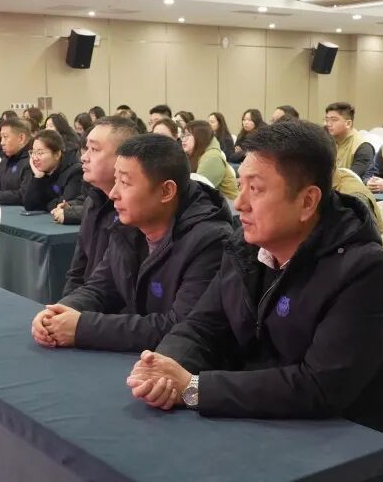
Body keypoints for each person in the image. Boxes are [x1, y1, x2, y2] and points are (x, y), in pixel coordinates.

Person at [124, 120, 383, 482]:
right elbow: (202, 326)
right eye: (241, 186)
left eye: (257, 189)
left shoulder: (362, 271)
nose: (240, 204)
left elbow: (319, 387)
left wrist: (194, 388)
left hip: (358, 453)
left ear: (308, 201)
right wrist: (165, 368)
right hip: (271, 421)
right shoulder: (246, 246)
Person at [31, 134, 234, 353]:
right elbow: (100, 288)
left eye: (125, 183)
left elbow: (181, 327)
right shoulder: (128, 225)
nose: (113, 193)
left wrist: (82, 328)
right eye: (116, 180)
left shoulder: (209, 241)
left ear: (166, 191)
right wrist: (60, 312)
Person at [58, 116, 138, 293]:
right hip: (88, 300)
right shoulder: (92, 202)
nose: (84, 157)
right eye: (86, 148)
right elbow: (77, 272)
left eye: (94, 149)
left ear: (122, 158)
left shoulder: (136, 211)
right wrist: (66, 304)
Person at [23, 129, 84, 212]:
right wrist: (38, 177)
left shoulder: (75, 172)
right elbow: (29, 205)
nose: (35, 158)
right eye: (33, 152)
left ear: (57, 154)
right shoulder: (40, 171)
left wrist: (43, 203)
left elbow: (64, 205)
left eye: (40, 153)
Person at [182, 120, 238, 200]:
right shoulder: (196, 154)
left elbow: (197, 192)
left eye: (188, 135)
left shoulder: (212, 158)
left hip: (228, 205)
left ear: (200, 137)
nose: (184, 139)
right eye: (183, 135)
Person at [324, 101, 375, 178]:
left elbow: (352, 178)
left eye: (334, 120)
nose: (328, 124)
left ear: (348, 124)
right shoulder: (328, 141)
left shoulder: (363, 147)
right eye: (327, 120)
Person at [0, 117, 32, 205]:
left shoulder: (33, 161)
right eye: (1, 137)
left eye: (5, 137)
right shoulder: (6, 159)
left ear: (21, 138)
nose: (1, 142)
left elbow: (22, 195)